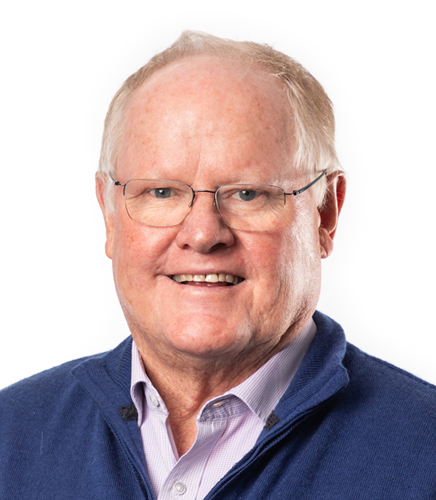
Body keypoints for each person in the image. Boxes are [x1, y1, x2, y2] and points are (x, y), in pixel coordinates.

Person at [1, 31, 436, 500]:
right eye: (161, 192)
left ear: (325, 214)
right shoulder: (11, 435)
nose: (204, 234)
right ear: (109, 214)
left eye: (248, 194)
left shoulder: (424, 453)